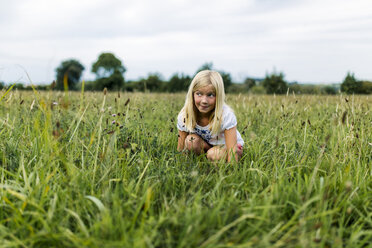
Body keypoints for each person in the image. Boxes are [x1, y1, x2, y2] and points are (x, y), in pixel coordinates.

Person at [177, 70, 244, 162]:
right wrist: (180, 164)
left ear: (218, 96)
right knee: (191, 141)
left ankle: (214, 162)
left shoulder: (226, 115)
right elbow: (181, 149)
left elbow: (232, 151)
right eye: (199, 94)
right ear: (192, 94)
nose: (204, 100)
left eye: (210, 95)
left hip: (229, 148)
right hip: (208, 146)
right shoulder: (185, 115)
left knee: (213, 154)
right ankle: (204, 163)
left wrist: (232, 171)